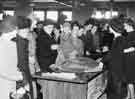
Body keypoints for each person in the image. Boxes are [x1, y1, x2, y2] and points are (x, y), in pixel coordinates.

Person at [102, 18, 127, 99]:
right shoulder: (120, 39)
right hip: (118, 72)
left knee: (114, 95)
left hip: (116, 73)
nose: (109, 28)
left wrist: (101, 62)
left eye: (109, 26)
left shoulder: (118, 40)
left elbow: (112, 55)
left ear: (113, 27)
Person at [0, 16, 22, 99]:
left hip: (10, 83)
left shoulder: (11, 43)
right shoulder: (3, 45)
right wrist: (21, 76)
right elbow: (3, 70)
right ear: (15, 28)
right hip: (4, 84)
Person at [123, 18, 135, 99]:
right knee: (128, 79)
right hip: (127, 59)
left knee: (130, 80)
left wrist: (122, 50)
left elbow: (134, 47)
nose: (124, 27)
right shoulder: (127, 34)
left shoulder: (134, 34)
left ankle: (133, 97)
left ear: (129, 25)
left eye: (125, 25)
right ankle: (128, 96)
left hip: (131, 59)